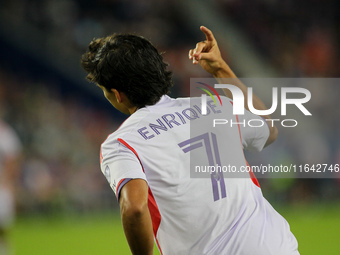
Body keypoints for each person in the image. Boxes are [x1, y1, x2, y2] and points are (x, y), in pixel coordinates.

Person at [80, 26, 299, 255]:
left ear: (117, 94)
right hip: (275, 247)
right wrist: (219, 68)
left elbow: (134, 207)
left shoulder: (121, 144)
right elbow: (268, 129)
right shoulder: (214, 106)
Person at [0, 120, 21, 255]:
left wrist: (9, 183)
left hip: (2, 186)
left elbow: (12, 159)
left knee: (3, 226)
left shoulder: (4, 133)